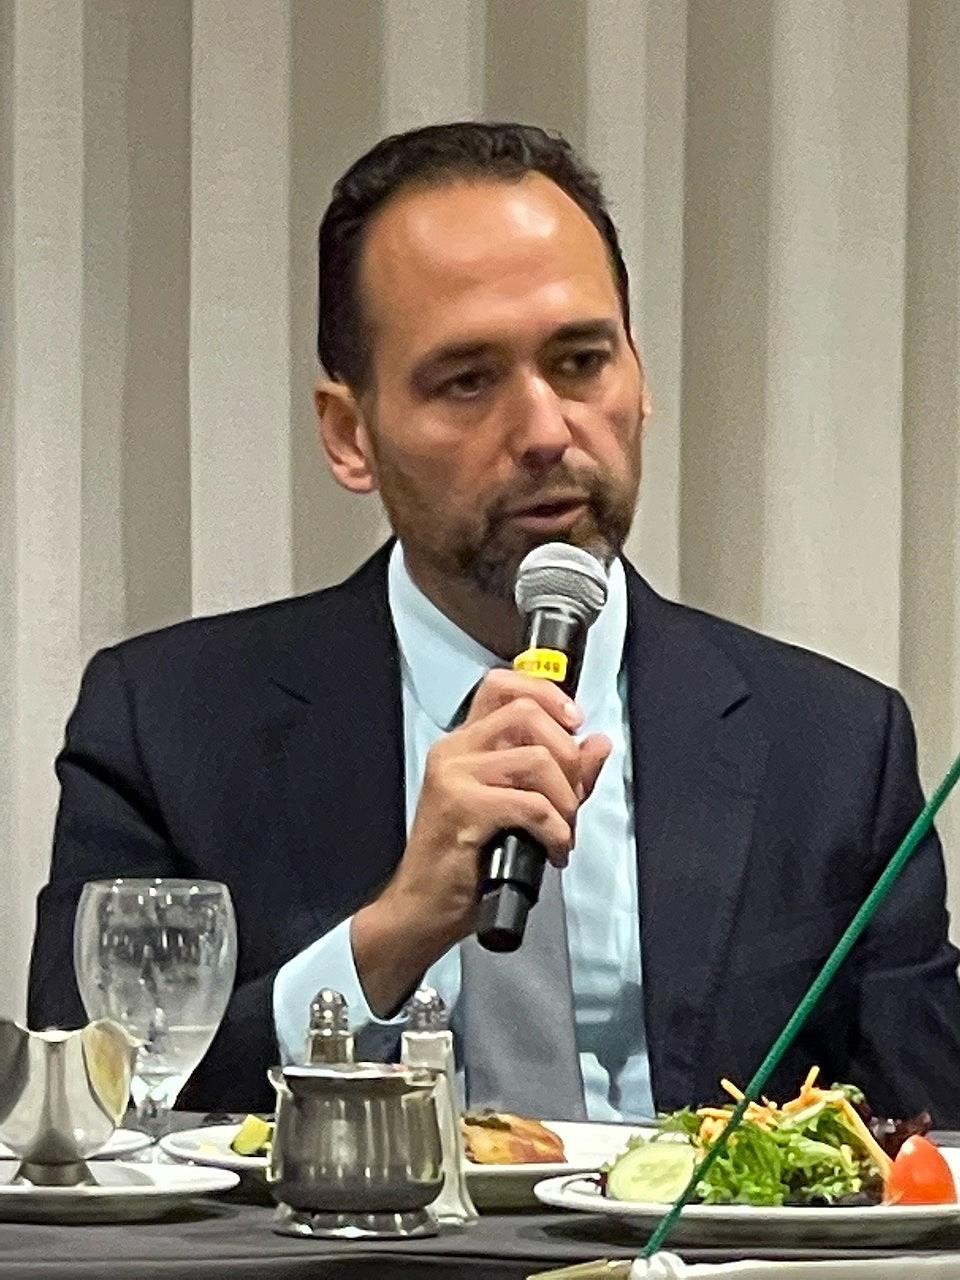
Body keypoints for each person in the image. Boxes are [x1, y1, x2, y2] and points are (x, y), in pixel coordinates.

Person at [28, 122, 960, 1123]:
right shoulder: (169, 726)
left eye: (582, 360)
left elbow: (929, 1144)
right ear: (350, 434)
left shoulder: (833, 747)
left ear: (641, 378)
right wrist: (389, 936)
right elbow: (86, 1122)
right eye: (468, 380)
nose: (547, 431)